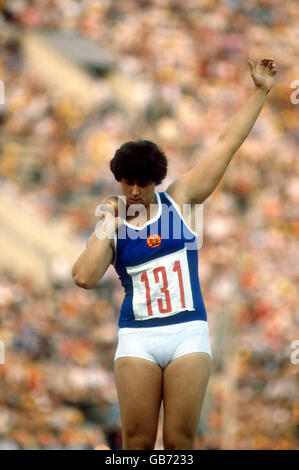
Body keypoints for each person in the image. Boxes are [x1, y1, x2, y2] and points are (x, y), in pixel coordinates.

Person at [71, 58, 277, 450]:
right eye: (127, 183)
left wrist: (260, 92)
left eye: (142, 184)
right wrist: (107, 224)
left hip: (187, 332)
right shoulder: (112, 222)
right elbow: (84, 277)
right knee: (137, 443)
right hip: (138, 336)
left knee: (180, 442)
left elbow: (226, 145)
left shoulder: (179, 201)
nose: (133, 192)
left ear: (156, 182)